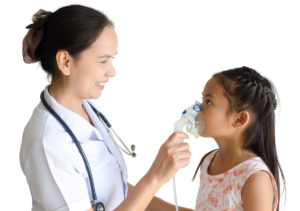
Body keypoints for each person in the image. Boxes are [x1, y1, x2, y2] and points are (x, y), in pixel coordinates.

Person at [20, 5, 193, 211]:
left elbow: (116, 192)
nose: (112, 71)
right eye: (103, 60)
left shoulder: (86, 111)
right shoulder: (47, 143)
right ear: (65, 61)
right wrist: (155, 178)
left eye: (112, 59)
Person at [193, 66, 285, 211]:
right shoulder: (209, 161)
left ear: (239, 119)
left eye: (208, 102)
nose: (197, 108)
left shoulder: (255, 178)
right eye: (202, 100)